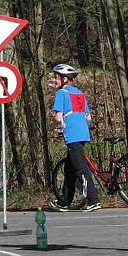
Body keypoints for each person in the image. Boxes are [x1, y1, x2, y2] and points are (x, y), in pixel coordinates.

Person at [49, 64, 101, 212]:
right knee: (70, 169)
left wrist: (53, 126)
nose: (55, 80)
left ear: (65, 79)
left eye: (56, 77)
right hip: (83, 134)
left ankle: (93, 200)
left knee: (80, 169)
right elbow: (89, 117)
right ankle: (65, 201)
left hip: (72, 135)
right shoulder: (79, 93)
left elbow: (58, 117)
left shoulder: (61, 93)